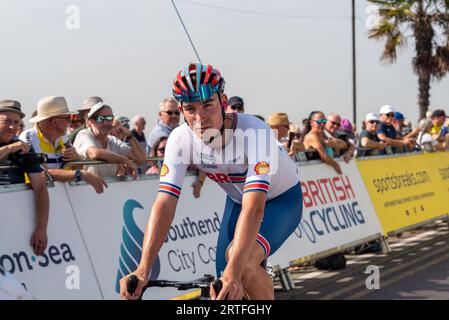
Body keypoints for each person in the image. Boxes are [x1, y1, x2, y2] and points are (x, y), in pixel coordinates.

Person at [119, 63, 302, 300]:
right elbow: (164, 205)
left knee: (242, 267)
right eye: (190, 108)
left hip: (281, 201)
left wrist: (234, 272)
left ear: (223, 102)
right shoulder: (179, 139)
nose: (200, 117)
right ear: (182, 111)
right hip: (237, 201)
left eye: (207, 106)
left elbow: (255, 207)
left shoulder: (256, 132)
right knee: (222, 287)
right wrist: (143, 269)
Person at [19, 96, 108, 194]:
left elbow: (76, 169)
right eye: (68, 119)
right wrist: (80, 174)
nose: (69, 124)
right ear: (54, 121)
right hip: (33, 197)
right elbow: (43, 174)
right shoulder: (28, 138)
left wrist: (77, 159)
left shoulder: (63, 137)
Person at [0, 100, 49, 256]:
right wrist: (8, 148)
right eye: (7, 121)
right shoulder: (15, 146)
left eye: (16, 122)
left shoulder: (23, 147)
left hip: (15, 221)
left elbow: (40, 187)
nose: (12, 127)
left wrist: (41, 228)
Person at [73, 102, 146, 178]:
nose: (105, 122)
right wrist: (124, 160)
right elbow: (94, 153)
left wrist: (130, 136)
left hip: (108, 188)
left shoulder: (114, 141)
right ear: (90, 121)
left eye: (109, 118)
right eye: (100, 118)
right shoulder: (83, 134)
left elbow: (140, 158)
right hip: (84, 188)